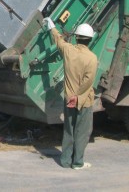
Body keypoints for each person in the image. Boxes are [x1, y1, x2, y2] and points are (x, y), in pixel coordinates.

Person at [43, 18, 98, 170]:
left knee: (69, 130)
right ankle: (78, 163)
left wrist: (52, 27)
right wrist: (78, 97)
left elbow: (58, 40)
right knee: (82, 132)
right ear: (90, 39)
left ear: (77, 37)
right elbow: (88, 82)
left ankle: (66, 161)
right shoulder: (92, 58)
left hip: (69, 100)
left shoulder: (68, 51)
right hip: (84, 101)